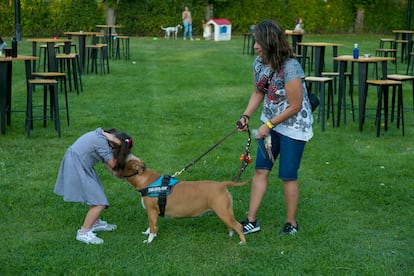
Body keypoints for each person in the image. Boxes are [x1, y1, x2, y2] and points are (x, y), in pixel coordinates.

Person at [237, 20, 313, 236]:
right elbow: (258, 92)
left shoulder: (290, 67)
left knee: (288, 174)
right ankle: (251, 221)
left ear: (269, 41)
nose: (255, 46)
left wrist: (268, 125)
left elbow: (296, 105)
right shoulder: (259, 63)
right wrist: (246, 116)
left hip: (293, 128)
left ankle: (291, 224)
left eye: (258, 42)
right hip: (270, 125)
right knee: (261, 169)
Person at [54, 127, 133, 244]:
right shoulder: (100, 141)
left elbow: (109, 165)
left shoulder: (102, 138)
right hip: (76, 166)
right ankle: (83, 233)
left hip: (82, 165)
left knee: (97, 193)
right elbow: (112, 163)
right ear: (114, 142)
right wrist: (131, 161)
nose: (114, 151)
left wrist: (119, 174)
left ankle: (95, 223)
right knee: (99, 202)